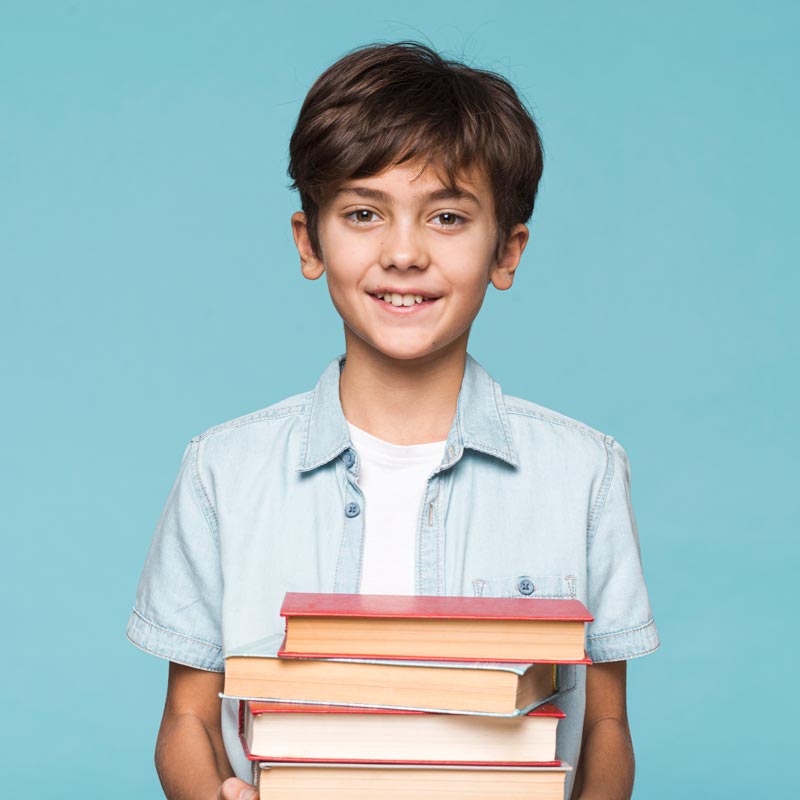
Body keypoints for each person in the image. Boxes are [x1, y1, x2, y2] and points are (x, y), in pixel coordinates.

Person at [127, 41, 659, 800]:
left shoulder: (585, 473)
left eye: (447, 216)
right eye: (363, 213)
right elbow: (187, 718)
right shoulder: (222, 470)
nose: (403, 253)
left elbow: (605, 724)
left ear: (506, 252)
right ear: (309, 241)